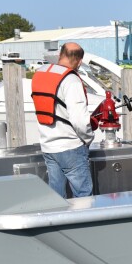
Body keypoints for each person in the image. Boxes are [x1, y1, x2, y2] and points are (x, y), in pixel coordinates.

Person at [31, 42, 94, 197]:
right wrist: (88, 138)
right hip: (71, 147)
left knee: (56, 197)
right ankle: (85, 222)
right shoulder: (71, 81)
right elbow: (79, 120)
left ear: (60, 55)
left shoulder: (40, 73)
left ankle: (57, 221)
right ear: (80, 62)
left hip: (48, 146)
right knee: (83, 196)